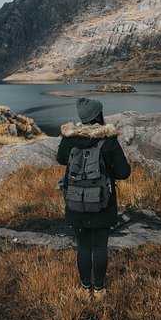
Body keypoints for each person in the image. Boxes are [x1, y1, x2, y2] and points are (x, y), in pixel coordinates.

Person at [57, 98, 131, 300]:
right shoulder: (108, 139)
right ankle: (98, 290)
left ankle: (84, 288)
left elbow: (61, 159)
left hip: (75, 202)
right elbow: (124, 172)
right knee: (99, 246)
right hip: (102, 203)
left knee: (83, 246)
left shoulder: (69, 137)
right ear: (98, 115)